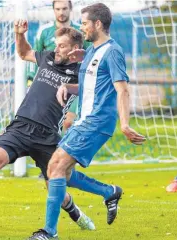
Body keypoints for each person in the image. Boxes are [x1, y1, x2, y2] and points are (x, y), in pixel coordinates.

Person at [0, 20, 125, 231]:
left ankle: (97, 199)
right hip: (21, 125)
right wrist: (20, 34)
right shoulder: (47, 57)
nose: (56, 49)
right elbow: (24, 52)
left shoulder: (81, 70)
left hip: (47, 134)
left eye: (61, 46)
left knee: (59, 184)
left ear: (74, 49)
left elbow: (97, 85)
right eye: (56, 44)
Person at [27, 3, 147, 239]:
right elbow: (88, 86)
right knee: (62, 173)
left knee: (56, 167)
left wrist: (124, 124)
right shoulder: (91, 51)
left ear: (98, 24)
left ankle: (49, 232)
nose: (81, 28)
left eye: (84, 23)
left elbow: (122, 90)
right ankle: (109, 192)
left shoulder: (112, 52)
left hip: (97, 122)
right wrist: (67, 86)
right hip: (84, 121)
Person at [27, 0, 92, 134]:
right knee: (44, 123)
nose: (61, 12)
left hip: (72, 83)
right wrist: (30, 81)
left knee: (69, 122)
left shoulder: (79, 32)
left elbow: (90, 56)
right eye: (58, 9)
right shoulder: (44, 32)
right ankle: (52, 152)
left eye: (64, 8)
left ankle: (65, 153)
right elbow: (33, 57)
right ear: (53, 10)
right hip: (48, 83)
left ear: (70, 9)